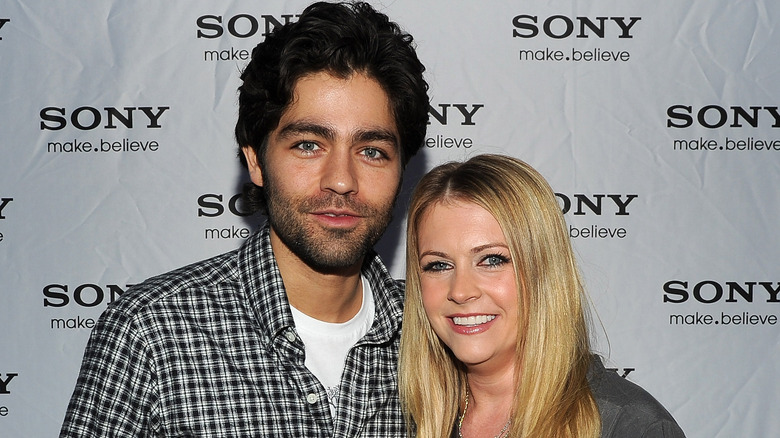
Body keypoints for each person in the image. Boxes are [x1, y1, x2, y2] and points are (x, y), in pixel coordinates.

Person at [60, 2, 428, 436]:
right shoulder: (152, 332)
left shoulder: (435, 331)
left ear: (401, 171)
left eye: (372, 152)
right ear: (255, 162)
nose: (342, 181)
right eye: (309, 145)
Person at [398, 154, 685, 438]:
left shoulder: (629, 426)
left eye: (492, 260)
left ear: (543, 271)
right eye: (439, 265)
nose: (460, 291)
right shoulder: (407, 418)